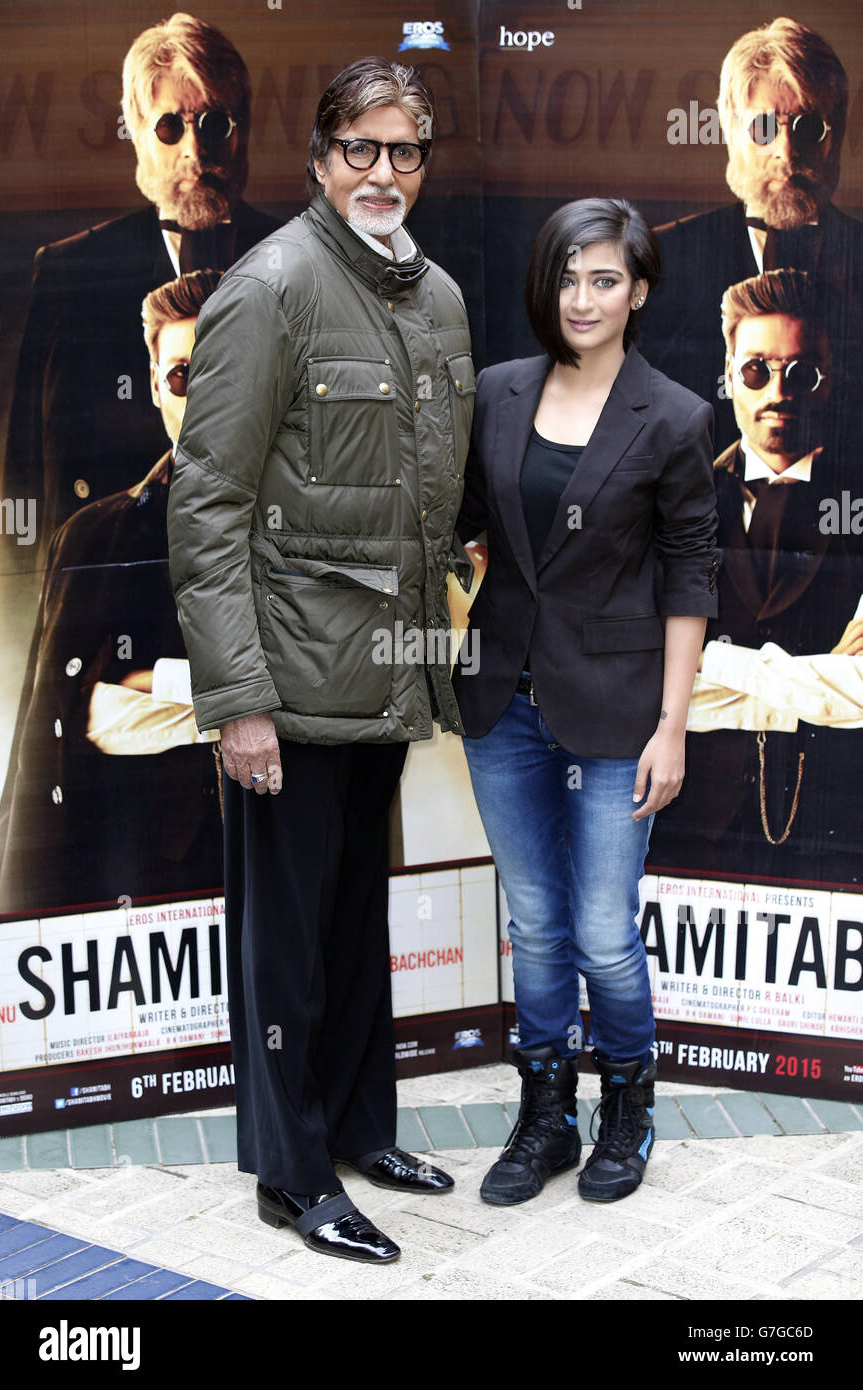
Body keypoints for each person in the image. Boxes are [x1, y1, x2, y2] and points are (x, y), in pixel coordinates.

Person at [167, 57, 477, 1264]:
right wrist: (237, 702)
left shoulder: (440, 298)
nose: (384, 173)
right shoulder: (269, 289)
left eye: (405, 152)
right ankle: (294, 1181)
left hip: (387, 676)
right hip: (287, 688)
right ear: (319, 158)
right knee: (285, 945)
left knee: (356, 923)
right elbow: (207, 508)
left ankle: (360, 1128)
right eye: (362, 149)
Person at [452, 198, 720, 1206]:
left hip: (619, 710)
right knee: (534, 918)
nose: (582, 296)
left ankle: (628, 1108)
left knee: (604, 926)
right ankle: (545, 1115)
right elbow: (466, 527)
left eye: (604, 278)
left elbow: (691, 571)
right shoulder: (496, 392)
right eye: (567, 276)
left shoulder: (677, 415)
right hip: (502, 701)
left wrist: (671, 723)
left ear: (639, 290)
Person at [0, 11, 278, 566]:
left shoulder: (305, 263)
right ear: (137, 134)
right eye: (171, 126)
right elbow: (26, 474)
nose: (194, 152)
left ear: (243, 132)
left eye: (214, 123)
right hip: (109, 588)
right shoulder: (68, 272)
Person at [0, 271, 224, 917]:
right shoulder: (94, 538)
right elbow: (79, 723)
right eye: (181, 374)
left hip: (299, 859)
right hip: (145, 892)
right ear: (154, 386)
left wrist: (160, 686)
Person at [649, 269, 863, 886]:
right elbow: (643, 680)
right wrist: (817, 683)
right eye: (755, 370)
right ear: (727, 371)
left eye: (802, 372)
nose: (778, 390)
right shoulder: (669, 498)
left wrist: (703, 664)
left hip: (839, 819)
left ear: (831, 375)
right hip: (690, 816)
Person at [640, 18, 863, 457]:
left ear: (835, 138)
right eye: (764, 128)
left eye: (809, 127)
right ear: (730, 132)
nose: (785, 151)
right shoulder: (662, 260)